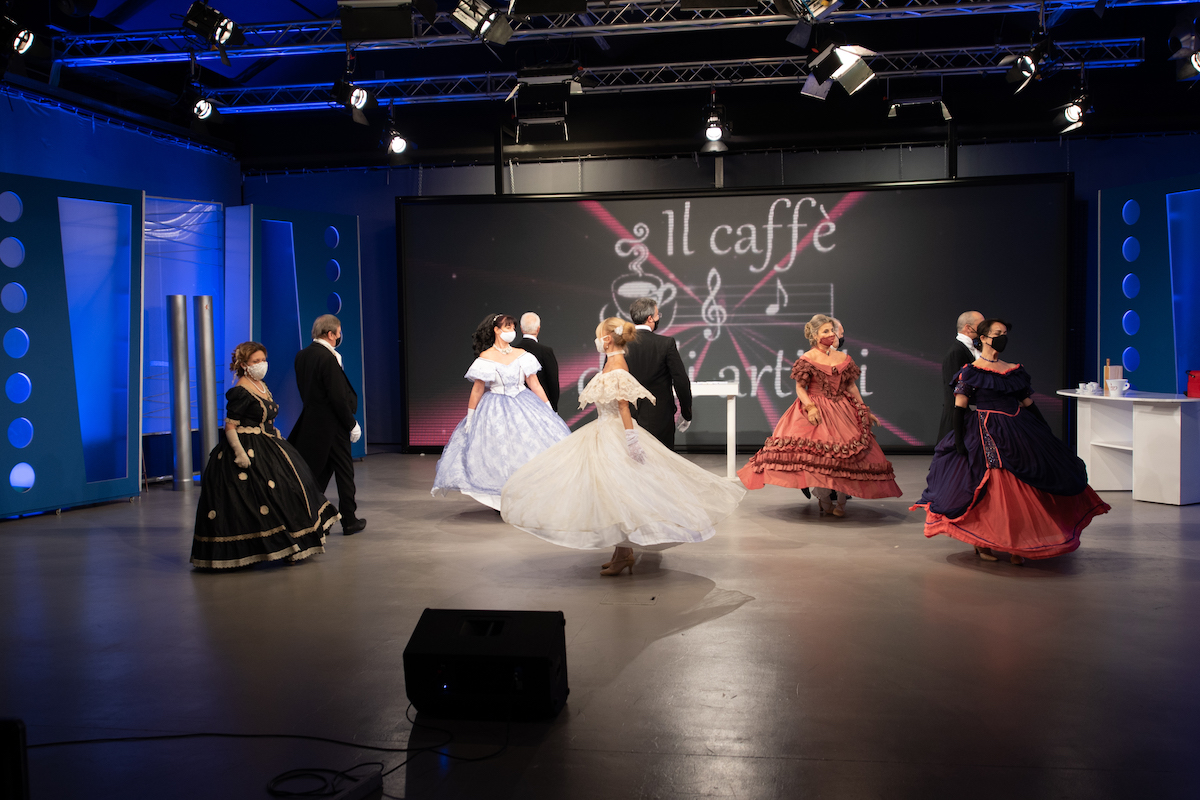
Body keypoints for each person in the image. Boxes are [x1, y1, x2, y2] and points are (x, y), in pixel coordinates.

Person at [501, 318, 745, 575]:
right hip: (604, 429)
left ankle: (622, 553)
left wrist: (630, 438)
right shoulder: (611, 361)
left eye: (599, 336)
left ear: (607, 339)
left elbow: (623, 406)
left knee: (618, 491)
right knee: (612, 492)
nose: (596, 341)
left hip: (614, 431)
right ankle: (622, 552)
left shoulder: (617, 365)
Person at [913, 318, 1110, 564]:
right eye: (997, 333)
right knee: (992, 488)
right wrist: (960, 441)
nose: (1002, 337)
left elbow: (1028, 403)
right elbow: (959, 409)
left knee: (1027, 485)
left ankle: (1019, 545)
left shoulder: (1012, 370)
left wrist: (1043, 429)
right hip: (986, 430)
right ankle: (983, 542)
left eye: (1004, 333)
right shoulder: (971, 371)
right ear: (983, 338)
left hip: (1017, 428)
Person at [191, 342, 339, 569]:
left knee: (291, 489)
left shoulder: (261, 385)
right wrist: (239, 453)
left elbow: (267, 418)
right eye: (255, 361)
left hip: (268, 443)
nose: (261, 364)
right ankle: (259, 548)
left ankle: (294, 543)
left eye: (263, 360)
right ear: (244, 365)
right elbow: (230, 426)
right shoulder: (240, 391)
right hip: (246, 447)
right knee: (252, 499)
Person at [738, 314, 902, 515]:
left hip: (842, 410)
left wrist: (864, 409)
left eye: (832, 330)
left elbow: (851, 386)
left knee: (846, 456)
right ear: (815, 335)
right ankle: (824, 499)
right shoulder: (808, 359)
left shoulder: (842, 358)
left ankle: (841, 501)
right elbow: (800, 388)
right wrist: (810, 407)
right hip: (817, 408)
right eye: (826, 331)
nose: (831, 334)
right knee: (820, 457)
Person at [432, 313, 570, 509]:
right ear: (496, 330)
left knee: (525, 447)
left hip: (523, 404)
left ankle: (524, 493)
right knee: (500, 452)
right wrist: (471, 417)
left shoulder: (522, 355)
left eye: (513, 328)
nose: (511, 331)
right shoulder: (486, 358)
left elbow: (535, 384)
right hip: (495, 408)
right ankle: (503, 497)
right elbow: (478, 389)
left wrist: (548, 409)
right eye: (507, 327)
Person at [288, 314, 366, 535]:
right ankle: (349, 519)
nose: (340, 336)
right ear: (330, 334)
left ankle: (314, 519)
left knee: (319, 473)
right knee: (344, 472)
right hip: (334, 425)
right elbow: (337, 396)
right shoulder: (328, 357)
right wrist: (351, 423)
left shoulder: (302, 356)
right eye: (338, 333)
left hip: (312, 422)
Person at [624, 297, 692, 449]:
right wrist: (686, 413)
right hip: (659, 418)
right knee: (662, 462)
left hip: (626, 418)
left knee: (630, 462)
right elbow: (681, 381)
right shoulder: (665, 344)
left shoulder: (620, 345)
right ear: (650, 318)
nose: (658, 318)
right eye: (657, 315)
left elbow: (609, 378)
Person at [937, 311, 984, 442]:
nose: (984, 328)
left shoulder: (973, 349)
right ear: (968, 328)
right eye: (981, 325)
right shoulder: (957, 352)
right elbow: (955, 390)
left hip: (969, 417)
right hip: (960, 420)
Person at [515, 312, 560, 413]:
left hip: (518, 406)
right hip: (542, 406)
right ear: (538, 329)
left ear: (521, 328)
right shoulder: (545, 351)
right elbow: (553, 382)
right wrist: (553, 409)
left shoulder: (512, 351)